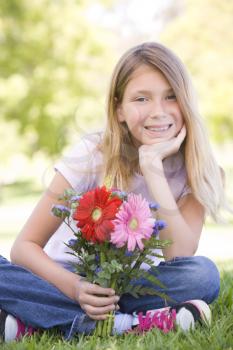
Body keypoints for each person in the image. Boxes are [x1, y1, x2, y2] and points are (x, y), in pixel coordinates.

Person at [0, 42, 225, 342]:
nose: (158, 111)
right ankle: (128, 324)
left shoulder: (198, 170)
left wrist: (152, 168)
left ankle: (36, 321)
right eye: (141, 98)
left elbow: (179, 254)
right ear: (119, 109)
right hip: (61, 278)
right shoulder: (92, 154)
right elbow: (24, 247)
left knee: (203, 276)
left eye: (171, 96)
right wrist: (76, 288)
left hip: (128, 288)